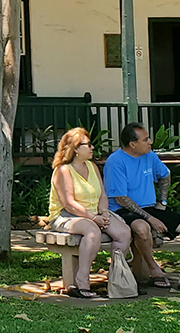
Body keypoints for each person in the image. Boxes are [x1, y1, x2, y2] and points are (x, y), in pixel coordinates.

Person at [102, 122, 180, 291]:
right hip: (122, 211)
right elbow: (121, 198)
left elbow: (165, 175)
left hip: (150, 208)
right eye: (146, 139)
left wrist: (163, 202)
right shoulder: (115, 161)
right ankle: (154, 268)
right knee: (142, 227)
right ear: (133, 144)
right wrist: (150, 218)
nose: (150, 142)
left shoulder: (150, 155)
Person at [47, 126, 132, 299]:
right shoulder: (63, 170)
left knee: (124, 232)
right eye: (88, 145)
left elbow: (102, 194)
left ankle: (116, 278)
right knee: (92, 232)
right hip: (66, 215)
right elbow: (69, 203)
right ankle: (82, 281)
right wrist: (94, 218)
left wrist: (104, 213)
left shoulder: (92, 167)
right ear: (76, 149)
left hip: (95, 214)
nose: (93, 148)